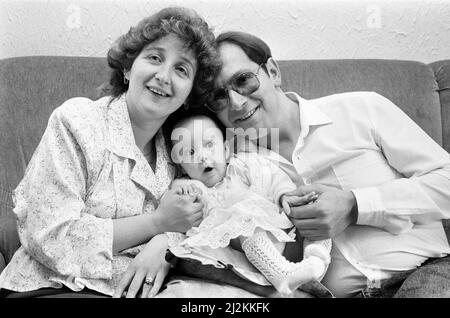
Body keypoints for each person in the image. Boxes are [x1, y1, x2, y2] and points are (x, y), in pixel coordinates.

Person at [205, 31, 450, 298]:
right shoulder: (232, 171)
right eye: (219, 96)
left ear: (272, 71)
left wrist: (355, 205)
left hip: (423, 273)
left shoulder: (362, 109)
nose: (237, 103)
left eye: (243, 80)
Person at [0, 7, 219, 298]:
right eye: (155, 57)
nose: (164, 76)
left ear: (189, 94)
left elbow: (198, 217)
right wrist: (156, 223)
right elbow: (50, 236)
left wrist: (164, 242)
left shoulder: (180, 152)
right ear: (128, 68)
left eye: (181, 69)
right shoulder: (76, 121)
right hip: (52, 287)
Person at [166, 112, 332, 296]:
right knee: (243, 215)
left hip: (284, 235)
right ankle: (282, 275)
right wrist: (183, 190)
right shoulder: (195, 188)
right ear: (181, 167)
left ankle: (316, 260)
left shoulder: (243, 165)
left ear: (226, 150)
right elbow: (178, 209)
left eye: (209, 145)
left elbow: (273, 179)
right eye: (190, 152)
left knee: (314, 208)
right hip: (251, 257)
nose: (202, 157)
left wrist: (283, 196)